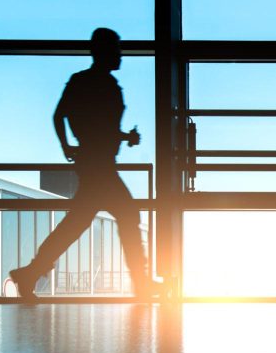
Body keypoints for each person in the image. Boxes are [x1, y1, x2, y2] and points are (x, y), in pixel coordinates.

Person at [10, 27, 163, 302]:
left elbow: (81, 122)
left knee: (77, 224)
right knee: (125, 216)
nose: (120, 55)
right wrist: (68, 145)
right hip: (98, 166)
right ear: (103, 51)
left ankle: (31, 272)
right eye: (116, 49)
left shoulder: (89, 82)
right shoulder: (92, 83)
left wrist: (119, 137)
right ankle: (141, 283)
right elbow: (73, 120)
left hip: (96, 163)